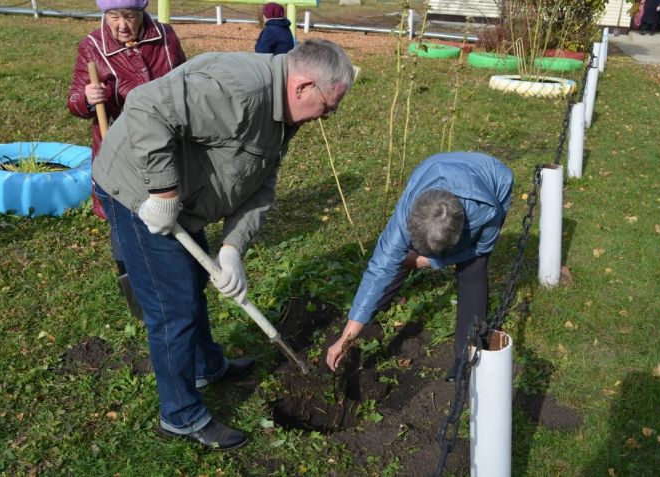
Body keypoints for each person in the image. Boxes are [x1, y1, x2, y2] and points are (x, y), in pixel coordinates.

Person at [92, 39, 354, 451]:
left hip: (185, 198)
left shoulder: (283, 112)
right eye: (329, 106)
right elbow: (145, 106)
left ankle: (204, 365)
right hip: (137, 190)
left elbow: (261, 185)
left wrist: (231, 248)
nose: (327, 116)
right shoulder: (241, 91)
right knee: (171, 306)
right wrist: (162, 193)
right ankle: (180, 414)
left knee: (192, 281)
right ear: (302, 86)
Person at [326, 152, 514, 382]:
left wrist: (430, 261)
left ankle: (466, 353)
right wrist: (347, 338)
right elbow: (379, 269)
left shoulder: (485, 211)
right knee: (395, 260)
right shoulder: (406, 215)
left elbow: (482, 248)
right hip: (433, 170)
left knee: (472, 269)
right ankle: (368, 315)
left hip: (493, 180)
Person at [67, 0, 186, 318]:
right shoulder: (92, 46)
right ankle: (133, 284)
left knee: (169, 201)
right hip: (119, 147)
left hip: (165, 142)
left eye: (129, 17)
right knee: (122, 217)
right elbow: (75, 99)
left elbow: (183, 78)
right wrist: (87, 100)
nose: (122, 25)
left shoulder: (164, 36)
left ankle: (176, 262)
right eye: (114, 17)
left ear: (142, 14)